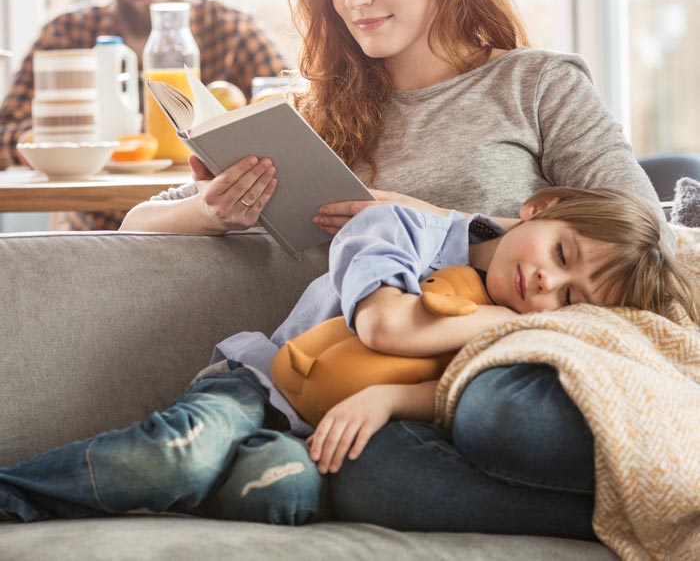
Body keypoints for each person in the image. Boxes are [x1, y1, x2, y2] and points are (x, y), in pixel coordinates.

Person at [120, 0, 669, 540]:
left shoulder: (537, 85)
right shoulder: (313, 121)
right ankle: (632, 516)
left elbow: (655, 244)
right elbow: (136, 220)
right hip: (381, 401)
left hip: (506, 375)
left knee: (498, 411)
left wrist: (431, 218)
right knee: (369, 468)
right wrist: (211, 209)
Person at [0, 185, 694, 526]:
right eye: (562, 255)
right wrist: (491, 319)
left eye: (571, 299)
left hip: (313, 444)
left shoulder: (525, 334)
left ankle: (220, 476)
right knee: (179, 450)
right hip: (260, 386)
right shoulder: (403, 228)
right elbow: (385, 327)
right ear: (541, 208)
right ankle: (16, 495)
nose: (546, 283)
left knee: (289, 490)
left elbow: (445, 396)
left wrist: (392, 398)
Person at [0, 0, 287, 231]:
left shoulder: (231, 32)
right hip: (97, 235)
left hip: (211, 238)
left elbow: (293, 114)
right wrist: (74, 141)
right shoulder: (68, 36)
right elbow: (5, 131)